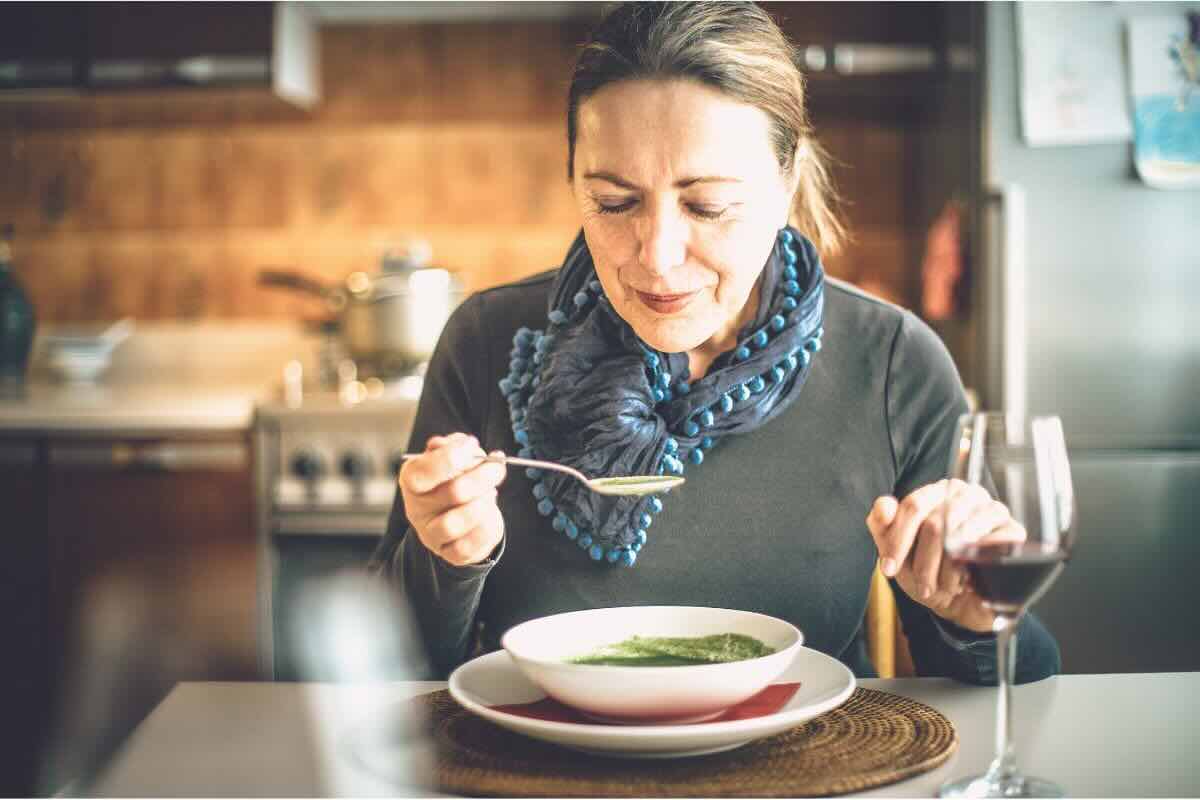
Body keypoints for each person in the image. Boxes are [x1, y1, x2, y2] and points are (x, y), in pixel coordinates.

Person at [371, 1, 1060, 684]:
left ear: (787, 184)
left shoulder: (893, 363)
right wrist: (446, 559)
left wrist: (971, 613)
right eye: (614, 203)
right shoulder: (486, 341)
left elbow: (1007, 688)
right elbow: (388, 671)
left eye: (708, 206)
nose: (658, 257)